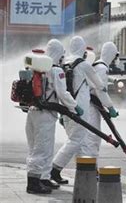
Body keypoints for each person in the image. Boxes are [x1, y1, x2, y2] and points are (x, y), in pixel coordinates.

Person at [25, 39, 81, 194]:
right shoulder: (56, 70)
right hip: (46, 115)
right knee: (43, 148)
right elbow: (63, 93)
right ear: (59, 53)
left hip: (32, 112)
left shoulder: (36, 66)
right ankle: (33, 183)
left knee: (34, 146)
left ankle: (43, 177)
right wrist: (75, 106)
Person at [50, 36, 108, 185]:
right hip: (79, 109)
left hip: (66, 108)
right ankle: (54, 169)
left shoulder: (65, 62)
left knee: (79, 141)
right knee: (76, 140)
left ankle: (87, 171)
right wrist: (110, 105)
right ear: (83, 49)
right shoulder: (83, 65)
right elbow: (99, 85)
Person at [81, 42, 119, 159]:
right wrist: (110, 107)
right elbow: (100, 90)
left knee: (88, 139)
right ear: (111, 55)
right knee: (93, 139)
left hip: (89, 105)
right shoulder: (102, 68)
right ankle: (91, 170)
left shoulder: (97, 65)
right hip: (92, 107)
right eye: (115, 56)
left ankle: (89, 167)